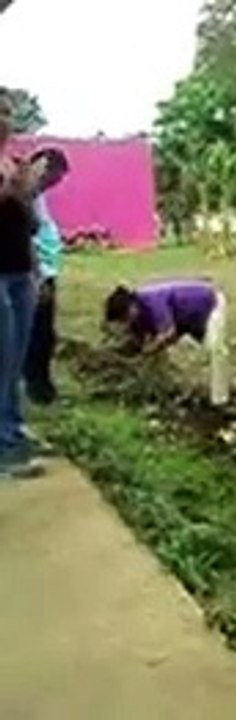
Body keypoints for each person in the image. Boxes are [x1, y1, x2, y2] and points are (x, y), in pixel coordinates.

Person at [0, 88, 44, 479]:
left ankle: (12, 427)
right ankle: (7, 446)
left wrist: (25, 194)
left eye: (7, 114)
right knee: (2, 356)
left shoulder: (11, 162)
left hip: (19, 269)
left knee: (13, 359)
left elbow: (31, 226)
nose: (6, 121)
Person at [103, 280, 230, 406]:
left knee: (216, 350)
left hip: (210, 303)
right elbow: (146, 341)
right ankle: (204, 391)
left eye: (125, 318)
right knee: (204, 353)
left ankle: (220, 400)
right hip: (185, 320)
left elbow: (169, 332)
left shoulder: (152, 301)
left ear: (131, 306)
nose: (127, 323)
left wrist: (151, 349)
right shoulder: (136, 319)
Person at [24, 149, 70, 405]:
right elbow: (26, 237)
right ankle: (38, 388)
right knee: (39, 335)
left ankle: (39, 384)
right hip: (37, 274)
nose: (52, 186)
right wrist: (39, 275)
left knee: (44, 334)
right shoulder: (25, 193)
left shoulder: (38, 196)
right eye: (53, 179)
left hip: (45, 272)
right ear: (43, 168)